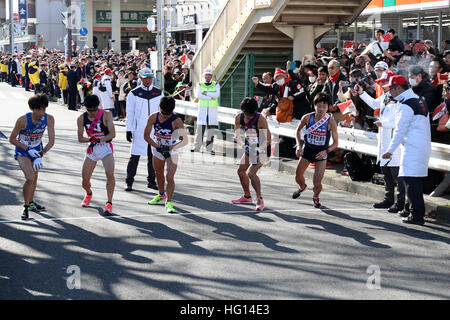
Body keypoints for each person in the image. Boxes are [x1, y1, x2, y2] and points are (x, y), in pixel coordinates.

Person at [382, 75, 431, 225]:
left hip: (412, 147)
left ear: (398, 88)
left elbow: (399, 130)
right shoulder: (418, 99)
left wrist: (390, 150)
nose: (390, 92)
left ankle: (416, 215)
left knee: (411, 181)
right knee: (414, 180)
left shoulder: (406, 104)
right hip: (421, 146)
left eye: (391, 88)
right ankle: (413, 211)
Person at [356, 71, 406, 213]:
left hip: (394, 141)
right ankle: (389, 198)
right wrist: (361, 93)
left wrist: (384, 123)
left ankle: (400, 202)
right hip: (384, 139)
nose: (382, 85)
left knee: (397, 173)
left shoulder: (399, 99)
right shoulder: (385, 96)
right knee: (386, 172)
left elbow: (400, 121)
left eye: (384, 82)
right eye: (381, 83)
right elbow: (373, 103)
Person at [9, 94, 55, 220]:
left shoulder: (49, 119)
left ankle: (32, 202)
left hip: (37, 150)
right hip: (23, 150)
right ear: (31, 108)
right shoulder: (22, 120)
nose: (42, 112)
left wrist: (42, 153)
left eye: (44, 109)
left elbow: (51, 141)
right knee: (29, 177)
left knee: (34, 178)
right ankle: (26, 206)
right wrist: (27, 149)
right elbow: (12, 139)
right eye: (38, 109)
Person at [292, 92, 338, 208]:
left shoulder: (330, 121)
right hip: (307, 150)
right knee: (298, 176)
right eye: (319, 106)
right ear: (314, 105)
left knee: (317, 182)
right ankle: (302, 187)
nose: (321, 109)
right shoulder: (307, 117)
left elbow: (336, 143)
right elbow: (297, 131)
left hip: (321, 153)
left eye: (324, 106)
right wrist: (298, 145)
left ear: (328, 108)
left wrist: (326, 151)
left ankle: (316, 196)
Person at [144, 96, 188, 213]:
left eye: (168, 114)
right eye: (163, 113)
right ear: (160, 108)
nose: (165, 116)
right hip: (157, 148)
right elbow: (146, 136)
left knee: (170, 177)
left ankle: (168, 201)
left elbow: (184, 140)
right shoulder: (153, 117)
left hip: (171, 150)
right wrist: (157, 147)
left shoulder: (177, 120)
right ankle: (161, 194)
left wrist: (170, 148)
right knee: (159, 174)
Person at [77, 95, 116, 215]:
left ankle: (109, 203)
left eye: (94, 109)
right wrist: (90, 140)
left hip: (105, 148)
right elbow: (80, 138)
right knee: (85, 180)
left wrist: (99, 140)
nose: (92, 113)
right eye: (90, 110)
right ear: (86, 108)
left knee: (109, 174)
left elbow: (112, 134)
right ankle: (88, 193)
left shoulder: (106, 114)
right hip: (92, 149)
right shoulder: (81, 118)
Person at [125, 68, 162, 191]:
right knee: (134, 156)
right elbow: (129, 113)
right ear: (140, 78)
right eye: (145, 78)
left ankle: (151, 181)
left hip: (154, 130)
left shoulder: (158, 93)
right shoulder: (133, 93)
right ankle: (129, 181)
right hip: (139, 129)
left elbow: (162, 112)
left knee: (153, 157)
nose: (148, 80)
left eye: (150, 78)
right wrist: (128, 129)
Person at [232, 97, 271, 211]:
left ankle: (259, 199)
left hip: (263, 148)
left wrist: (260, 152)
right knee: (240, 171)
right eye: (246, 115)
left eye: (250, 115)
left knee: (252, 173)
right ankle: (247, 196)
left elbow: (268, 138)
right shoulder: (239, 117)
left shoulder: (260, 119)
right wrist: (238, 138)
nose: (248, 118)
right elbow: (237, 132)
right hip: (251, 146)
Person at [192, 69, 220, 155]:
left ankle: (209, 148)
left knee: (211, 130)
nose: (207, 76)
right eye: (206, 75)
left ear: (211, 76)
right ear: (204, 75)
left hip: (212, 110)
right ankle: (196, 147)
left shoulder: (216, 84)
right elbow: (199, 96)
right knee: (200, 129)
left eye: (209, 75)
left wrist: (206, 93)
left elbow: (217, 95)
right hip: (203, 110)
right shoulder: (200, 84)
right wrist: (211, 96)